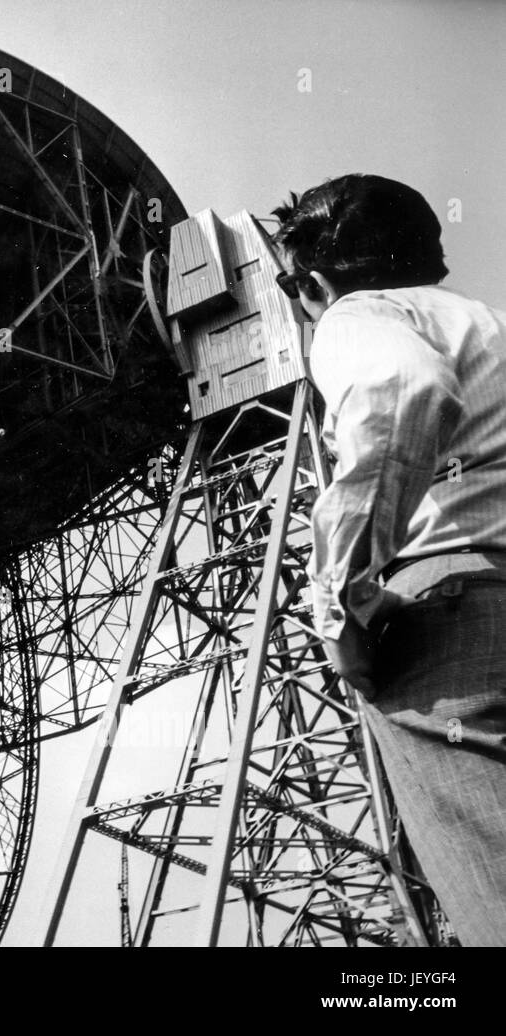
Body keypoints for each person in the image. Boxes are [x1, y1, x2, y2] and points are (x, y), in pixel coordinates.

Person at [272, 173, 506, 947]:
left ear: (311, 278)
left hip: (457, 618)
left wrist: (339, 603)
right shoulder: (488, 325)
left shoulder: (355, 316)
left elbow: (402, 385)